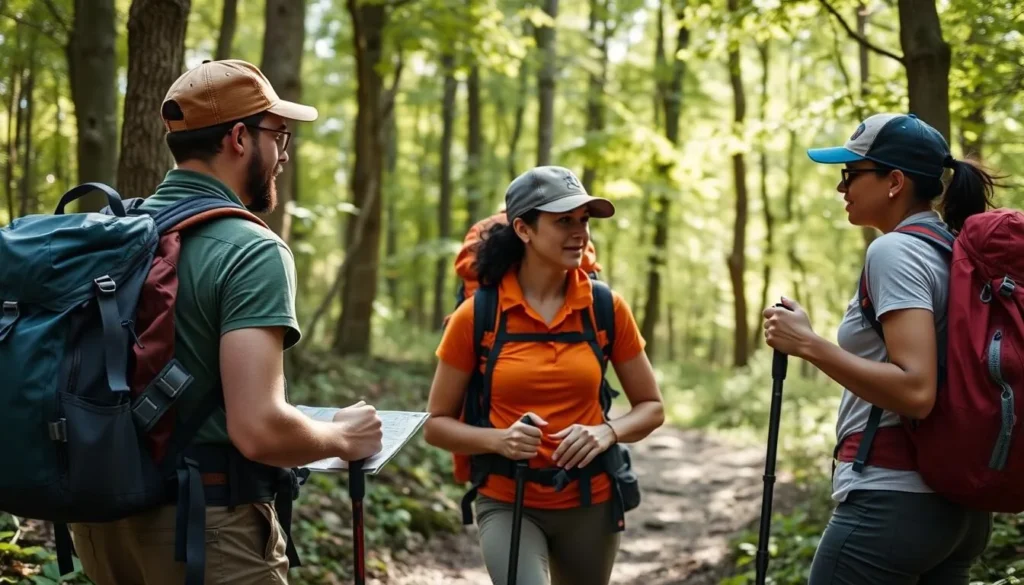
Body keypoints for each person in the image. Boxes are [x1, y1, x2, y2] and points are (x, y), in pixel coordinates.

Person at [67, 59, 384, 585]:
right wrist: (340, 436)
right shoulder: (251, 249)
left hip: (102, 527)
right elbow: (258, 429)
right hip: (207, 530)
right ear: (239, 137)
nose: (284, 153)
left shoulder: (111, 234)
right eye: (279, 134)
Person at [762, 113, 1000, 584]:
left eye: (852, 173)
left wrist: (807, 344)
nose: (840, 187)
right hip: (959, 509)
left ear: (894, 181)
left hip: (893, 500)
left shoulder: (896, 251)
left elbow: (915, 390)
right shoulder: (953, 250)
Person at [424, 165, 665, 585]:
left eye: (584, 221)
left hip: (591, 501)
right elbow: (436, 425)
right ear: (524, 229)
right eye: (563, 221)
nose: (580, 233)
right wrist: (500, 440)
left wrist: (606, 432)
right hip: (506, 497)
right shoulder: (478, 315)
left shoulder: (605, 308)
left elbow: (652, 408)